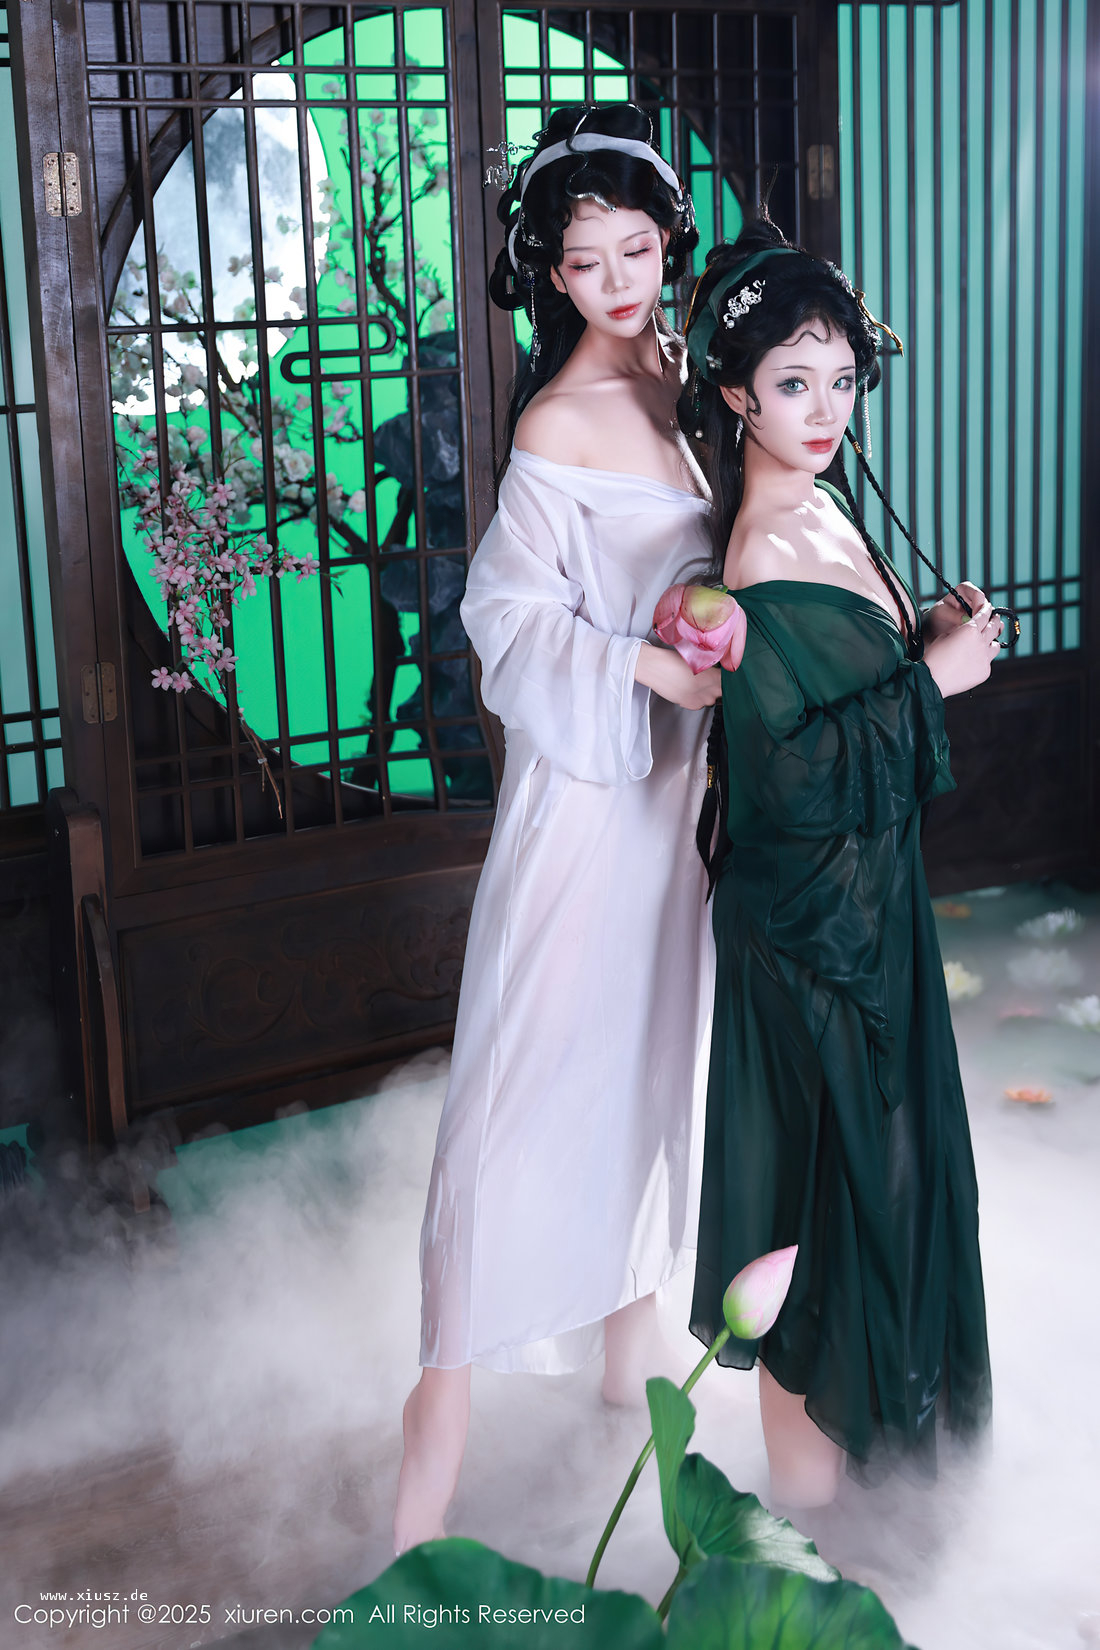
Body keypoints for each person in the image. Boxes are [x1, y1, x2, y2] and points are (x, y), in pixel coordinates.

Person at [393, 104, 721, 1554]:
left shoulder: (689, 377)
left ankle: (621, 1381)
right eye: (585, 264)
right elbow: (507, 618)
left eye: (635, 250)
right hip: (587, 808)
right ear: (551, 274)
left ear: (668, 241)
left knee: (649, 1074)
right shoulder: (557, 418)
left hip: (678, 804)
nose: (616, 283)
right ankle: (419, 1498)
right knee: (518, 1098)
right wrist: (641, 661)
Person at [683, 217, 995, 1509]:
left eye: (842, 379)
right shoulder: (756, 553)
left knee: (890, 1192)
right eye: (794, 383)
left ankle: (882, 1503)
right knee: (823, 1211)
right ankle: (806, 1517)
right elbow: (793, 783)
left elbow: (843, 696)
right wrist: (932, 680)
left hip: (871, 917)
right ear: (736, 395)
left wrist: (923, 636)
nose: (824, 410)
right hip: (811, 937)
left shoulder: (821, 503)